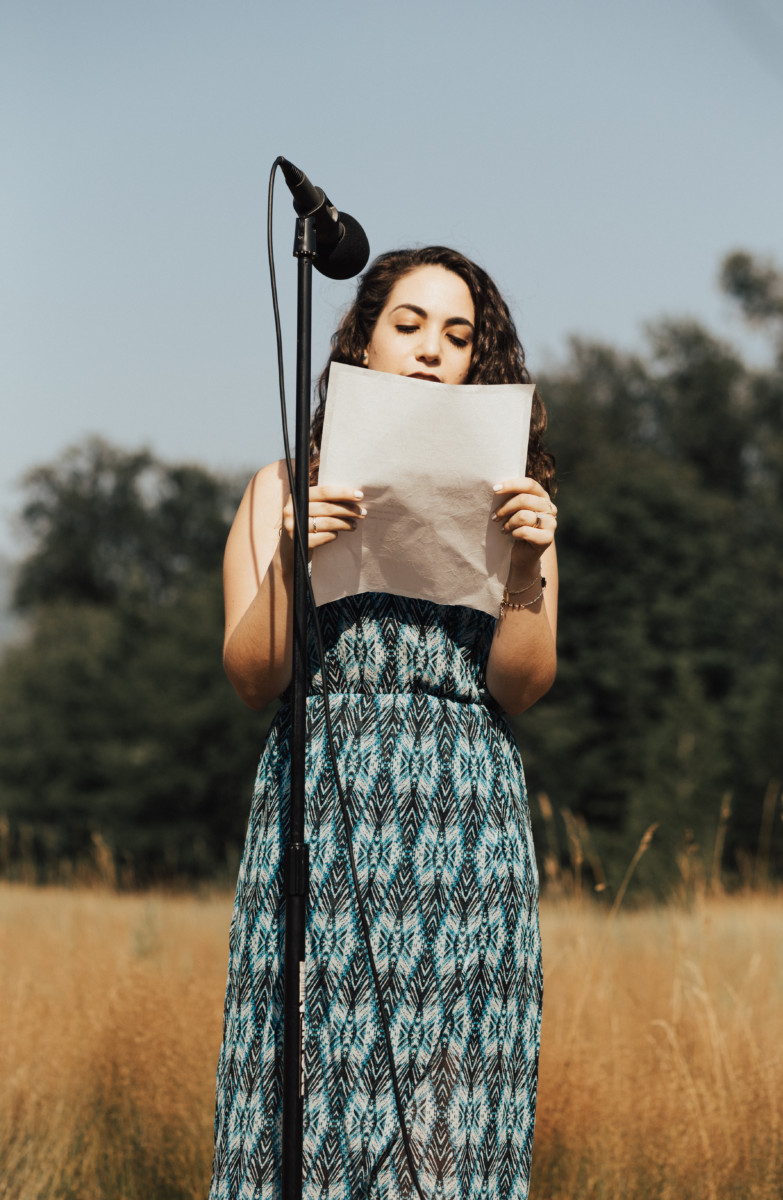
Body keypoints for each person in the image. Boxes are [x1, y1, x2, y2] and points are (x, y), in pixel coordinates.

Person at [209, 246, 558, 1200]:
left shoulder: (513, 504)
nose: (430, 351)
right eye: (407, 325)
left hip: (463, 815)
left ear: (478, 366)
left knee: (451, 1103)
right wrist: (294, 557)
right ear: (361, 340)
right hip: (323, 802)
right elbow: (252, 678)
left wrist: (526, 565)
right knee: (311, 1074)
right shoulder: (279, 488)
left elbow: (523, 686)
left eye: (458, 336)